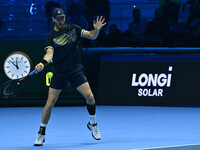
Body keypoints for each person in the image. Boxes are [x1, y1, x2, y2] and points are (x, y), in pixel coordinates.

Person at [34, 8, 106, 146]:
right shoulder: (50, 37)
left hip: (74, 71)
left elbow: (91, 35)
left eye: (63, 18)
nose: (61, 21)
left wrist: (96, 29)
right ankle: (41, 133)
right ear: (53, 20)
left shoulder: (73, 29)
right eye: (58, 19)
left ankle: (93, 124)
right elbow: (49, 54)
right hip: (59, 72)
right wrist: (42, 63)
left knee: (90, 97)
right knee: (50, 103)